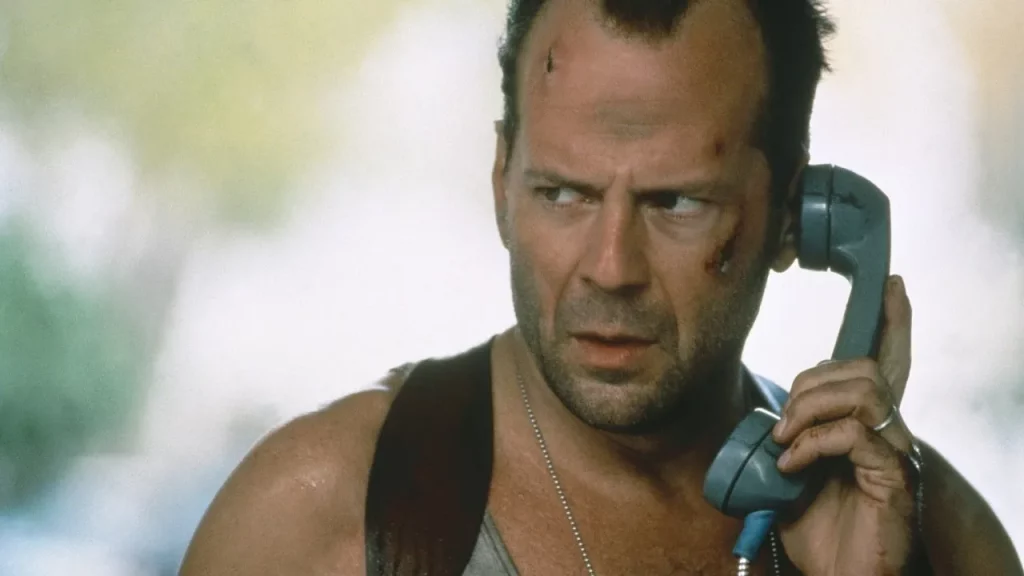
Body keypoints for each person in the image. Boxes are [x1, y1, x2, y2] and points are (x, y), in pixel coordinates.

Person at [179, 0, 1024, 574]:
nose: (611, 268)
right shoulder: (318, 519)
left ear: (791, 217)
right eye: (563, 193)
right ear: (502, 181)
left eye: (677, 202)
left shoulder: (938, 538)